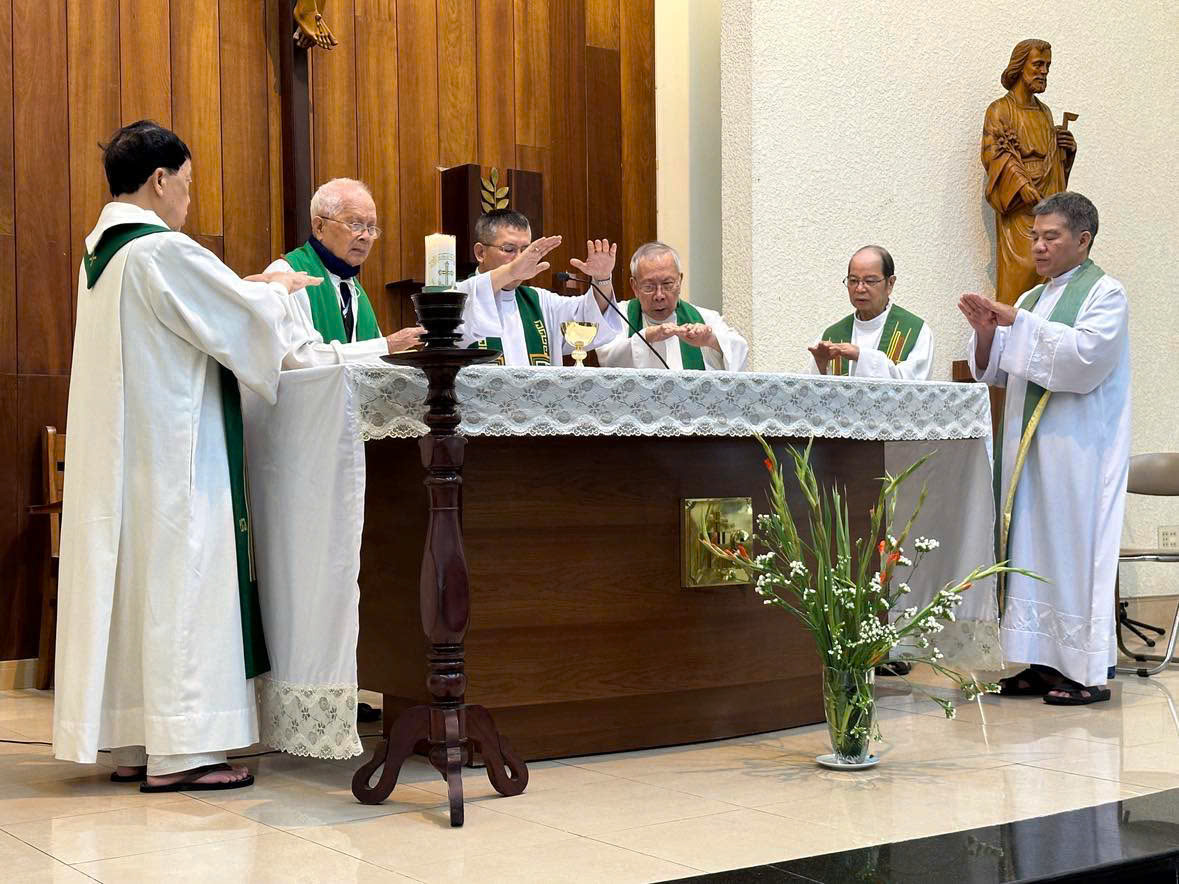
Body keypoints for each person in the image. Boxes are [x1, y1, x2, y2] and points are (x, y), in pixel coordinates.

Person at [53, 120, 323, 791]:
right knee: (183, 581)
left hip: (129, 460)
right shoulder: (159, 250)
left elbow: (208, 309)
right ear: (160, 179)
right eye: (188, 184)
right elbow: (245, 322)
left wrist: (248, 291)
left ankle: (137, 740)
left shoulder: (102, 258)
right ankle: (185, 752)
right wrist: (277, 288)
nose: (188, 200)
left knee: (138, 587)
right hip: (177, 458)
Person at [959, 191, 1129, 705]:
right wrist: (985, 333)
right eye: (1034, 236)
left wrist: (1017, 325)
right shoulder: (1032, 299)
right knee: (1030, 547)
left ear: (1083, 239)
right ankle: (1039, 661)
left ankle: (1084, 672)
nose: (1037, 246)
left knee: (1072, 551)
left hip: (1078, 453)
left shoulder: (1106, 294)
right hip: (1027, 454)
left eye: (1050, 237)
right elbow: (993, 370)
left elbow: (1084, 359)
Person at [264, 177, 423, 364]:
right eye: (355, 225)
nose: (366, 236)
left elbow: (373, 364)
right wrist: (387, 345)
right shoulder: (284, 277)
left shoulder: (353, 288)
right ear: (319, 227)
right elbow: (298, 359)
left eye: (371, 227)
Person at [455, 209, 622, 364]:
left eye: (526, 250)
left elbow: (589, 318)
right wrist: (511, 271)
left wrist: (602, 278)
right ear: (480, 253)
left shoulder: (540, 302)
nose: (520, 259)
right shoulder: (456, 297)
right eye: (509, 249)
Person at [981, 39, 1078, 305]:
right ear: (1019, 66)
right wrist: (1021, 184)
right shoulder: (1000, 110)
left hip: (1046, 202)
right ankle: (1009, 328)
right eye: (1038, 65)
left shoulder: (1044, 112)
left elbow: (1051, 161)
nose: (1044, 71)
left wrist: (1065, 150)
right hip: (1019, 206)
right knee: (1020, 277)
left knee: (1049, 278)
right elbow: (993, 154)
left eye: (1048, 66)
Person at [595, 241, 749, 371]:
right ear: (634, 286)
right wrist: (647, 336)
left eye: (667, 284)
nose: (659, 295)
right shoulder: (620, 315)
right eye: (649, 287)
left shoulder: (704, 318)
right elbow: (608, 358)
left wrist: (711, 340)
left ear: (679, 281)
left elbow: (739, 348)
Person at [809, 246, 932, 379]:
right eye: (853, 280)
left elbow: (913, 387)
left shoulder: (915, 331)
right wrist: (822, 366)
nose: (860, 289)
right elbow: (811, 389)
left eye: (870, 281)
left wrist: (860, 355)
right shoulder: (831, 336)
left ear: (890, 283)